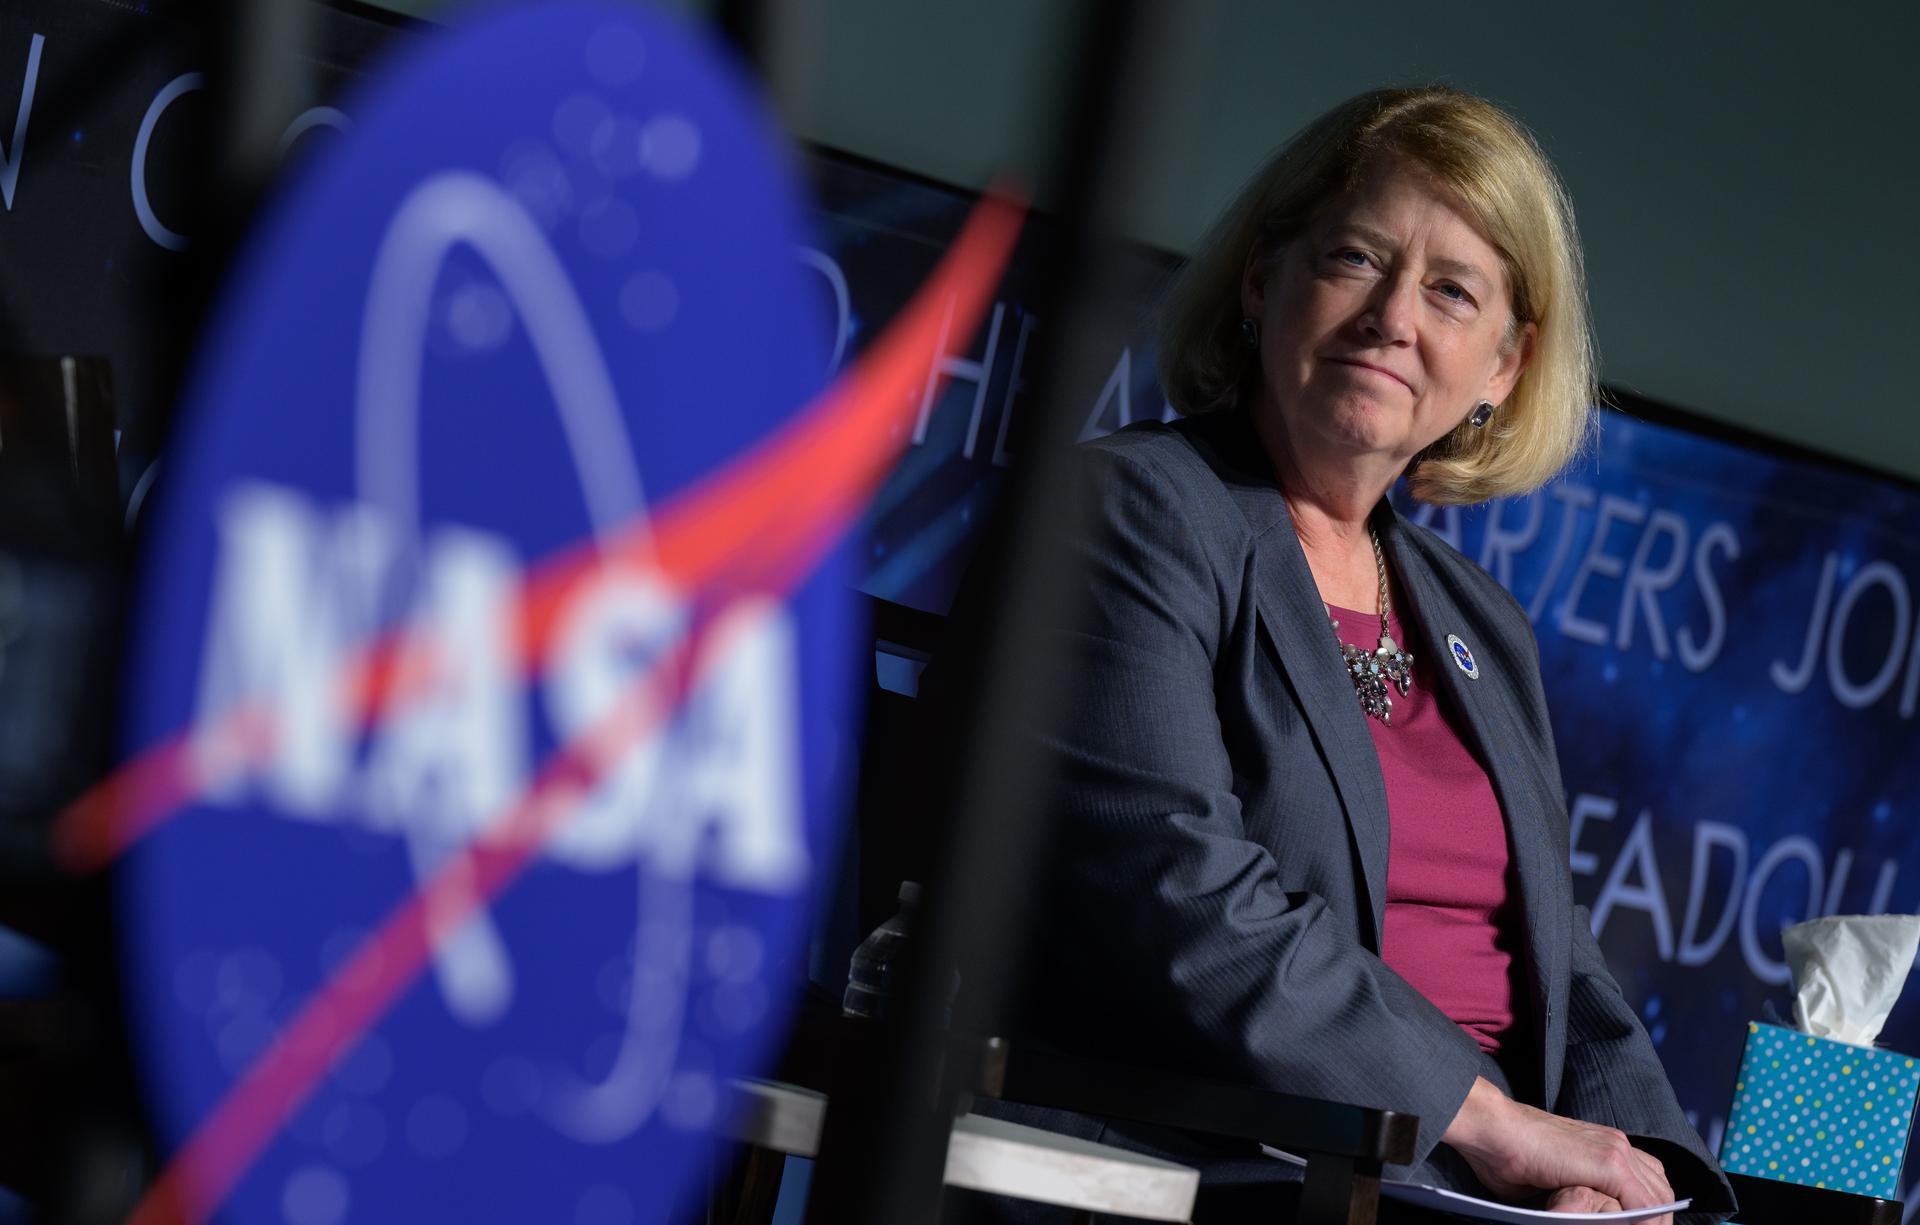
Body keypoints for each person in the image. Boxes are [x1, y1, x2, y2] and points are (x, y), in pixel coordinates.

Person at [941, 86, 1736, 1223]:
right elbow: (1176, 892)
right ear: (1263, 281)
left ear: (1503, 368)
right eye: (1358, 259)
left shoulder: (1481, 623)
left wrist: (1643, 1179)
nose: (1393, 318)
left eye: (1453, 291)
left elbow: (1566, 965)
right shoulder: (1131, 512)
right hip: (1235, 1159)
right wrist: (1491, 1123)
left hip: (1472, 1185)